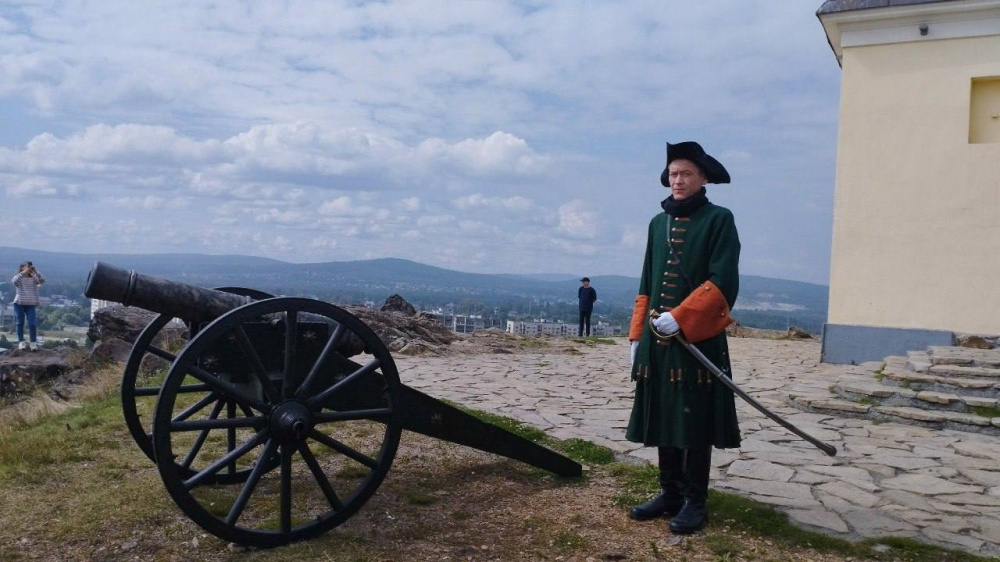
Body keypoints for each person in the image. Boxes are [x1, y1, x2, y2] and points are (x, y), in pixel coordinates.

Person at [625, 141, 741, 534]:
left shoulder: (719, 219)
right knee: (665, 417)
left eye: (686, 173)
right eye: (673, 174)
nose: (678, 180)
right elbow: (646, 280)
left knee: (693, 423)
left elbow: (723, 280)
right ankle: (670, 494)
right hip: (658, 342)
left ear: (703, 178)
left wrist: (683, 315)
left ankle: (695, 502)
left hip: (698, 340)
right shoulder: (657, 224)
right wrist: (637, 334)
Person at [12, 261, 45, 351]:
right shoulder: (18, 277)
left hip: (31, 303)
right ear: (22, 267)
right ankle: (21, 342)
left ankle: (33, 343)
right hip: (19, 302)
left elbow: (42, 281)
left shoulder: (34, 278)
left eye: (30, 267)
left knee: (32, 324)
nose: (29, 268)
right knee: (20, 322)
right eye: (27, 267)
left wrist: (36, 272)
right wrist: (24, 272)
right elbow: (15, 282)